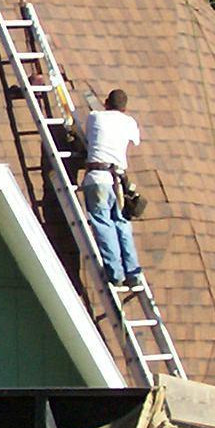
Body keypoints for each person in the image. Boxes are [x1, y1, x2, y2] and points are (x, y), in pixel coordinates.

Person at [81, 88, 143, 290]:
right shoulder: (129, 123)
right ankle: (133, 272)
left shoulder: (95, 117)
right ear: (125, 107)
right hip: (118, 182)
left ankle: (115, 273)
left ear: (106, 102)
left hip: (98, 179)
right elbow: (134, 141)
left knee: (103, 223)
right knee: (122, 223)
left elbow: (90, 138)